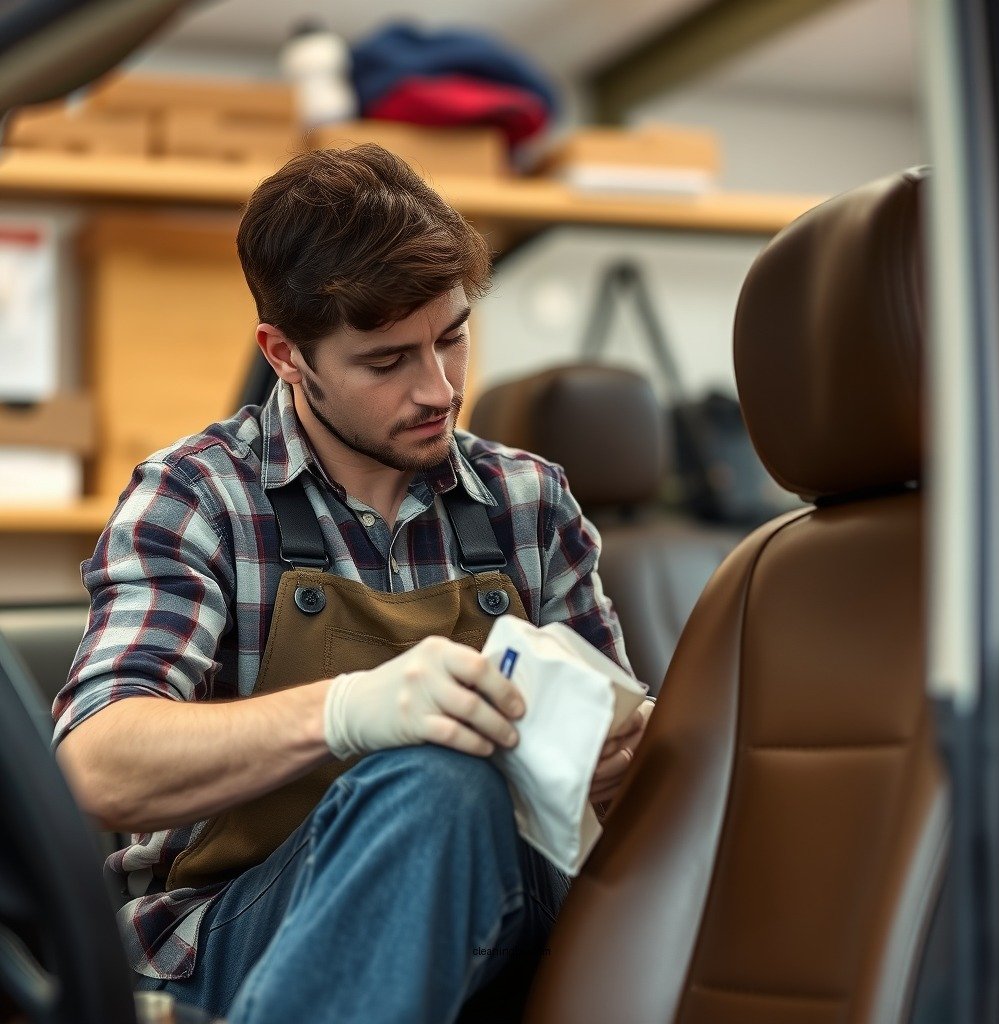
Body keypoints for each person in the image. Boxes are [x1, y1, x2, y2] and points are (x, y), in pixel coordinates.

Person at [52, 144, 653, 1023]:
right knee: (440, 784)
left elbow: (632, 762)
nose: (439, 389)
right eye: (386, 361)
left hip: (511, 911)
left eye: (452, 337)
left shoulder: (529, 502)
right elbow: (96, 765)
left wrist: (623, 761)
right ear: (286, 354)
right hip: (244, 932)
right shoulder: (200, 497)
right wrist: (349, 711)